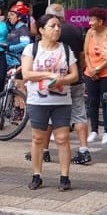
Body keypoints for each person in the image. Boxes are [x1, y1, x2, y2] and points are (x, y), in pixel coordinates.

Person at [22, 14, 80, 191]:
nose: (57, 29)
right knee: (38, 138)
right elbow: (26, 74)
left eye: (58, 26)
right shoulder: (31, 49)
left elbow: (75, 75)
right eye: (52, 26)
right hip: (37, 100)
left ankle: (64, 176)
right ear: (41, 30)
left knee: (62, 138)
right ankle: (37, 175)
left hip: (61, 100)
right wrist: (49, 75)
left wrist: (62, 81)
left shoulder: (66, 49)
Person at [47, 3, 90, 164]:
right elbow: (81, 53)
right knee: (79, 114)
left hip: (56, 79)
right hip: (76, 77)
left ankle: (44, 150)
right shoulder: (76, 29)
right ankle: (84, 149)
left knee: (50, 114)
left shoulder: (50, 30)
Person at [83, 8, 107, 147]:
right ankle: (93, 130)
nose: (90, 23)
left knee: (106, 101)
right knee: (92, 101)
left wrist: (98, 69)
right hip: (90, 72)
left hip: (106, 72)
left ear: (101, 21)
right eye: (90, 19)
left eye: (93, 20)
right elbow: (85, 53)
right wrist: (91, 68)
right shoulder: (90, 33)